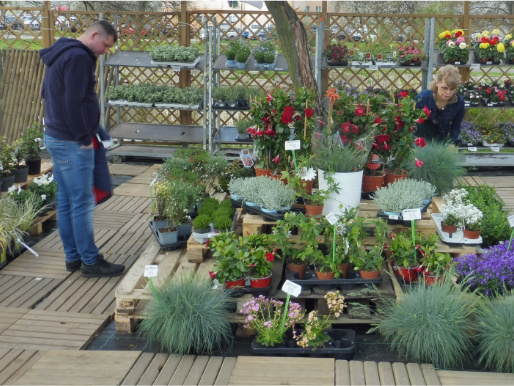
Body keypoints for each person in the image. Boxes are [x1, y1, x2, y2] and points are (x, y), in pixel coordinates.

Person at [40, 21, 125, 278]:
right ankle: (90, 261)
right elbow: (73, 102)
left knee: (66, 201)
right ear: (95, 34)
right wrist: (84, 137)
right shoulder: (78, 57)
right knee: (82, 202)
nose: (106, 51)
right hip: (72, 141)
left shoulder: (62, 51)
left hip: (56, 136)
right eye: (106, 45)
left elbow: (46, 93)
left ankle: (73, 258)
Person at [414, 65, 465, 144]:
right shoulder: (423, 98)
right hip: (421, 140)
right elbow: (411, 123)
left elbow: (456, 125)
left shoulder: (458, 101)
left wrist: (452, 143)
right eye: (444, 88)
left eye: (452, 89)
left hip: (441, 141)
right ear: (437, 83)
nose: (448, 92)